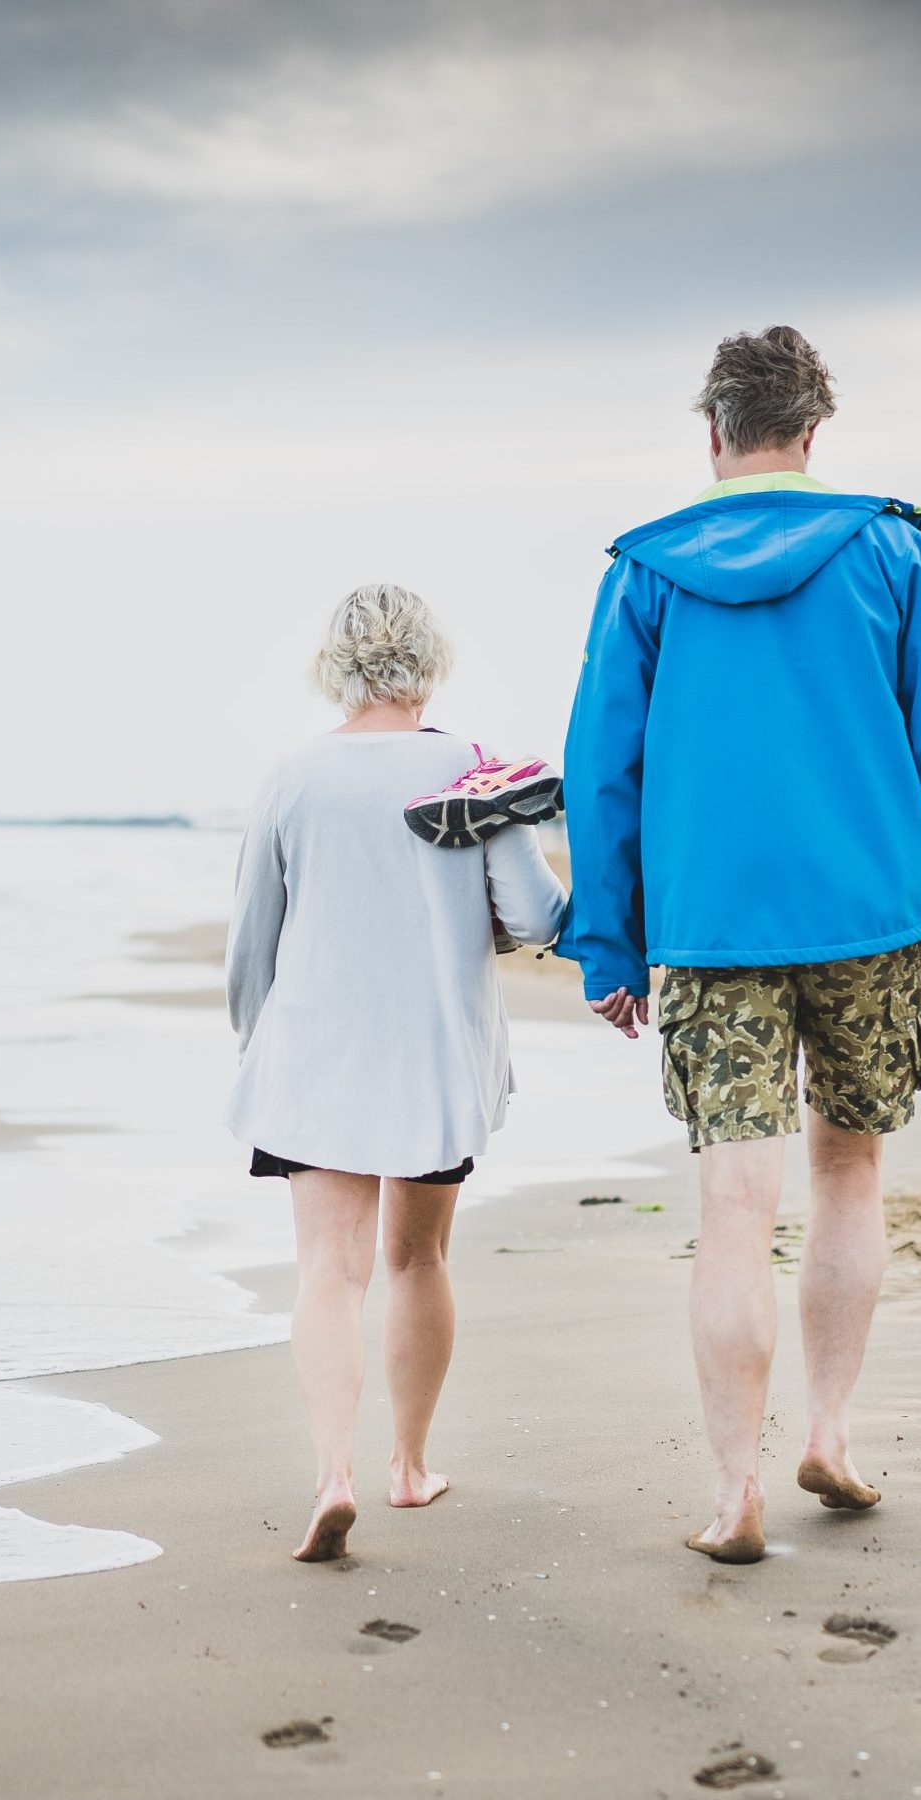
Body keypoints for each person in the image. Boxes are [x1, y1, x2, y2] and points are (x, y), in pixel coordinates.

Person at [558, 326, 921, 1565]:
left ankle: (731, 1490)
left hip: (708, 923)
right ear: (814, 433)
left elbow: (603, 771)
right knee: (847, 1171)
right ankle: (835, 1433)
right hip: (869, 912)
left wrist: (606, 943)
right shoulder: (895, 553)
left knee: (732, 1201)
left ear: (713, 435)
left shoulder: (644, 573)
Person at [225, 583, 566, 1561]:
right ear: (429, 661)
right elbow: (540, 919)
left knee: (327, 1270)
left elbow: (255, 938)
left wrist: (259, 1044)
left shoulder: (293, 776)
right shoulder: (471, 771)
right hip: (429, 1056)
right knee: (416, 1259)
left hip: (316, 1058)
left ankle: (332, 1473)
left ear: (335, 665)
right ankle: (408, 1467)